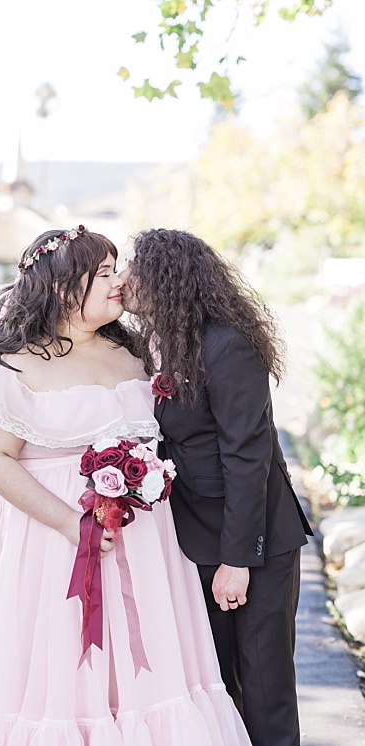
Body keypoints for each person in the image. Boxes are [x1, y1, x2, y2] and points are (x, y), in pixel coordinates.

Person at [0, 228, 251, 745]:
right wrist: (71, 523)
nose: (120, 282)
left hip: (146, 547)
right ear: (64, 288)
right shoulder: (12, 365)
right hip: (49, 545)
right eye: (104, 274)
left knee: (143, 678)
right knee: (56, 674)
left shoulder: (137, 355)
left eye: (115, 269)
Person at [122, 228, 313, 746]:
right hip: (190, 537)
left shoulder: (226, 346)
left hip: (255, 540)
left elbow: (249, 457)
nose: (123, 280)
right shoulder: (150, 345)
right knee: (213, 687)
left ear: (167, 278)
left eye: (133, 269)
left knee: (264, 685)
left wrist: (238, 560)